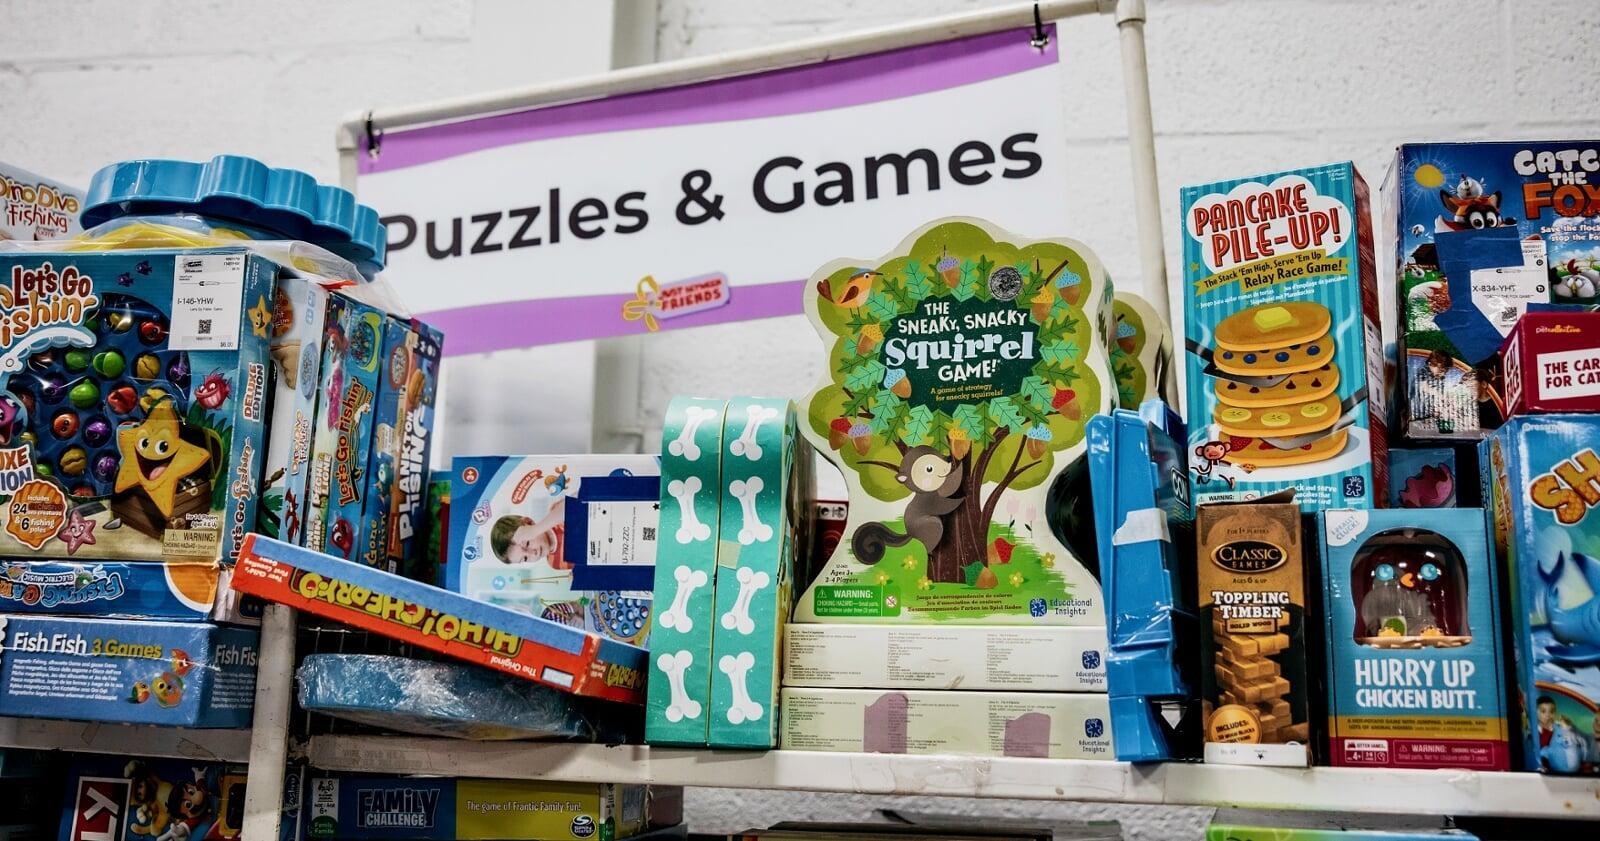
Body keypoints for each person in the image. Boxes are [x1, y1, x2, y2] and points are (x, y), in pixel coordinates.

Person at [488, 502, 571, 570]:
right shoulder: (554, 563)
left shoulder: (557, 512)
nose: (533, 553)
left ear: (529, 522)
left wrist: (536, 529)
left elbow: (576, 503)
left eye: (527, 543)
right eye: (525, 558)